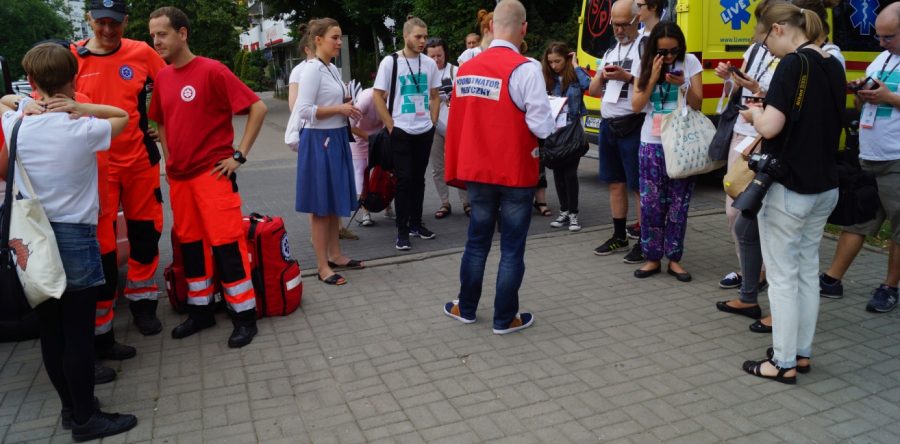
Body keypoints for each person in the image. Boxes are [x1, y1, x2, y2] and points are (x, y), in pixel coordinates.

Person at [0, 43, 136, 441]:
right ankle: (84, 419)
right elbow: (123, 117)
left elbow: (3, 100)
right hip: (74, 235)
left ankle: (69, 408)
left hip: (32, 238)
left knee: (51, 329)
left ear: (33, 81)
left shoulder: (17, 123)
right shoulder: (83, 128)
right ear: (73, 79)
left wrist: (28, 103)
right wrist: (81, 108)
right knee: (78, 333)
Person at [738, 2, 845, 384]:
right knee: (804, 273)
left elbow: (771, 127)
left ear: (780, 28)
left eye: (764, 38)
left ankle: (781, 363)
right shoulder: (832, 63)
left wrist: (754, 114)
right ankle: (800, 354)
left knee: (782, 277)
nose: (765, 47)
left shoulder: (792, 65)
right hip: (825, 185)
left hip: (789, 188)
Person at [148, 6, 266, 347]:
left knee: (227, 245)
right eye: (153, 35)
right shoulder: (163, 77)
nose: (157, 41)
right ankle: (200, 311)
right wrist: (168, 163)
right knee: (192, 248)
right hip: (181, 180)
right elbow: (161, 121)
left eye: (163, 34)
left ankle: (244, 315)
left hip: (213, 175)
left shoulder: (212, 70)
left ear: (182, 33)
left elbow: (256, 108)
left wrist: (238, 155)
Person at [443, 0, 556, 335]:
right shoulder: (526, 68)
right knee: (511, 247)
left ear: (491, 27)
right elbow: (542, 127)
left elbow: (461, 121)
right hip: (515, 172)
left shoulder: (466, 69)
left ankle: (466, 307)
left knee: (476, 242)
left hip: (478, 171)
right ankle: (504, 318)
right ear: (523, 29)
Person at [73, 0, 167, 362]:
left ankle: (143, 303)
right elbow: (48, 98)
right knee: (104, 248)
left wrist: (161, 123)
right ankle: (104, 325)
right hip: (96, 167)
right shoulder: (73, 57)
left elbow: (170, 85)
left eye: (115, 23)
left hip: (139, 161)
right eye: (101, 23)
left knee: (146, 233)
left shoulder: (141, 51)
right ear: (89, 20)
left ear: (125, 21)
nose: (109, 30)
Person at [820, 2, 900, 313]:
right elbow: (869, 102)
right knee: (859, 218)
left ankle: (889, 287)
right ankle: (831, 279)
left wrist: (888, 97)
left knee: (898, 228)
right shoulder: (881, 59)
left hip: (896, 157)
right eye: (879, 36)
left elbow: (889, 99)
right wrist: (860, 92)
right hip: (869, 155)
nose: (880, 43)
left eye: (888, 37)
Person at [713, 33, 780, 333]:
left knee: (756, 214)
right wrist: (733, 79)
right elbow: (738, 95)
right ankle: (749, 273)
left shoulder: (799, 57)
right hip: (742, 131)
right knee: (733, 211)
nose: (758, 32)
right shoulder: (755, 49)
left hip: (767, 135)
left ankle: (757, 277)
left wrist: (757, 88)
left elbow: (783, 101)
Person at [293, 18, 365, 285]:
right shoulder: (311, 70)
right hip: (319, 139)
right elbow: (303, 111)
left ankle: (335, 254)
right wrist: (340, 109)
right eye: (334, 37)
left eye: (340, 37)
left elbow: (328, 102)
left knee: (333, 202)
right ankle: (322, 266)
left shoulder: (331, 69)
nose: (338, 42)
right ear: (318, 40)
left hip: (334, 137)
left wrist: (345, 104)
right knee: (322, 206)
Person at [630, 21, 702, 282]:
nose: (670, 57)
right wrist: (651, 78)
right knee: (650, 205)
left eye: (674, 51)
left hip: (680, 143)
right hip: (652, 142)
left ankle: (674, 259)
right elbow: (637, 106)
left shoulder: (690, 62)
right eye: (663, 52)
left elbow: (698, 103)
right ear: (653, 50)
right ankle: (651, 258)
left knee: (678, 205)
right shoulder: (644, 64)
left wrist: (684, 85)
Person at [373, 17, 441, 251]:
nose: (423, 41)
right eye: (418, 37)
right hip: (401, 130)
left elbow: (434, 95)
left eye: (425, 36)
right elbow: (377, 96)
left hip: (424, 130)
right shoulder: (390, 62)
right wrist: (391, 124)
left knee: (418, 181)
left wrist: (432, 122)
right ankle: (402, 231)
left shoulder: (429, 64)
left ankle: (416, 224)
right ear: (405, 36)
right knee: (403, 180)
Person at [589, 0, 645, 263]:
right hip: (609, 124)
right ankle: (619, 235)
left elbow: (652, 86)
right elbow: (593, 90)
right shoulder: (611, 49)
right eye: (615, 24)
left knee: (638, 186)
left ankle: (646, 240)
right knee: (614, 183)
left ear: (637, 21)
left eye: (625, 24)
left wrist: (629, 77)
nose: (619, 29)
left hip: (634, 123)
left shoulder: (645, 46)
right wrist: (601, 76)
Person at [542, 42, 591, 232]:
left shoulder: (575, 78)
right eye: (551, 62)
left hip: (572, 132)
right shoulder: (548, 79)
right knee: (558, 173)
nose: (554, 65)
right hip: (554, 132)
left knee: (570, 174)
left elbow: (589, 85)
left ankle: (573, 214)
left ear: (567, 58)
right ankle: (563, 211)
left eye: (558, 61)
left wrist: (576, 66)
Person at [425, 37, 469, 219]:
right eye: (432, 56)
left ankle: (467, 202)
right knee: (437, 167)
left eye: (439, 55)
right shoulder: (423, 75)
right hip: (433, 126)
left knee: (461, 164)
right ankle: (444, 202)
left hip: (455, 126)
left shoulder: (456, 71)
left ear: (445, 54)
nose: (436, 60)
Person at [349, 86, 385, 227]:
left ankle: (387, 207)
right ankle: (365, 212)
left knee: (384, 171)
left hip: (378, 136)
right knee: (362, 172)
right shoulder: (365, 99)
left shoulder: (392, 97)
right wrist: (370, 139)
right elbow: (350, 125)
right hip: (359, 136)